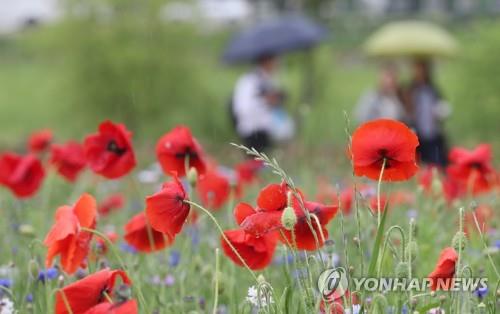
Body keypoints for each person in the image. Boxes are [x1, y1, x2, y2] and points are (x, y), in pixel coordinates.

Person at [230, 55, 295, 152]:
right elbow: (242, 108)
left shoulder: (269, 80)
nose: (277, 63)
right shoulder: (248, 81)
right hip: (252, 132)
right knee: (255, 163)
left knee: (266, 162)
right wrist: (264, 101)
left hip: (266, 130)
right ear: (265, 61)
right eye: (274, 60)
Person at [404, 58, 451, 167]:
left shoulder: (433, 89)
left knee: (437, 163)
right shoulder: (410, 90)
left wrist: (440, 111)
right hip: (417, 133)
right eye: (417, 70)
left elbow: (441, 106)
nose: (420, 73)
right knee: (420, 164)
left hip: (433, 132)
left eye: (422, 70)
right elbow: (407, 111)